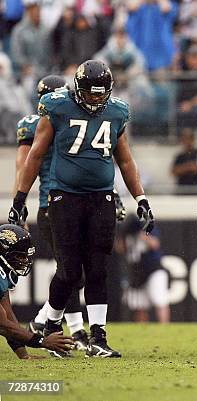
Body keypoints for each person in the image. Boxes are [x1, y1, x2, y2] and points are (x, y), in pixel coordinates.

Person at [8, 59, 155, 358]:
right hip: (65, 196)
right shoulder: (57, 106)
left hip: (101, 197)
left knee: (98, 268)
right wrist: (19, 200)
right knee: (69, 270)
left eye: (102, 94)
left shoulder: (117, 111)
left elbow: (125, 160)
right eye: (91, 93)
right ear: (77, 89)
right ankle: (50, 323)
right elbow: (34, 156)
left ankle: (97, 337)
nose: (96, 99)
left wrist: (141, 198)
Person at [12, 74, 95, 355]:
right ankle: (70, 330)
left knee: (76, 271)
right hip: (53, 204)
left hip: (81, 200)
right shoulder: (35, 125)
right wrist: (18, 202)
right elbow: (23, 165)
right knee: (69, 271)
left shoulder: (76, 120)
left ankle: (42, 321)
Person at [0, 224, 74, 358]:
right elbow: (3, 325)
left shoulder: (3, 275)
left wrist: (23, 355)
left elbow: (8, 316)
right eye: (19, 256)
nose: (24, 261)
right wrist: (42, 341)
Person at [119, 215, 170, 323]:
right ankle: (142, 330)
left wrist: (141, 234)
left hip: (153, 270)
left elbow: (155, 244)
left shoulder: (147, 228)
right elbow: (120, 249)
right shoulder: (126, 235)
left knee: (159, 300)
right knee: (139, 305)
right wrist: (123, 235)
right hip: (137, 273)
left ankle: (164, 328)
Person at [171, 129, 197, 194]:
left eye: (189, 139)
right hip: (182, 189)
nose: (187, 142)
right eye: (185, 139)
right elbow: (173, 171)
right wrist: (187, 167)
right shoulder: (180, 156)